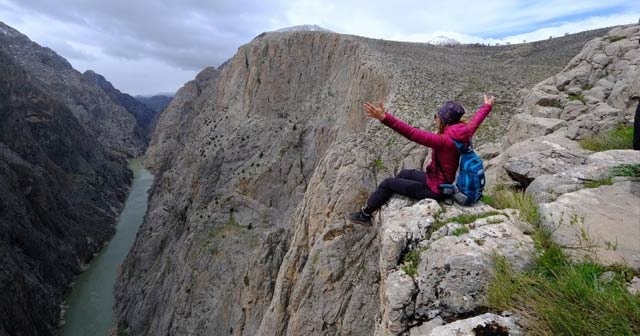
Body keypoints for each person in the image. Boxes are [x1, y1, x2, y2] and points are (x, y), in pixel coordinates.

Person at [349, 94, 496, 225]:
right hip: (439, 180)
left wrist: (385, 118)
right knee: (405, 173)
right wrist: (487, 106)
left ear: (445, 121)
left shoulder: (443, 141)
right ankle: (390, 196)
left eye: (436, 116)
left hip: (436, 189)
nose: (435, 119)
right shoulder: (465, 131)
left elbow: (411, 133)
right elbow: (477, 119)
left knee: (387, 183)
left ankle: (365, 214)